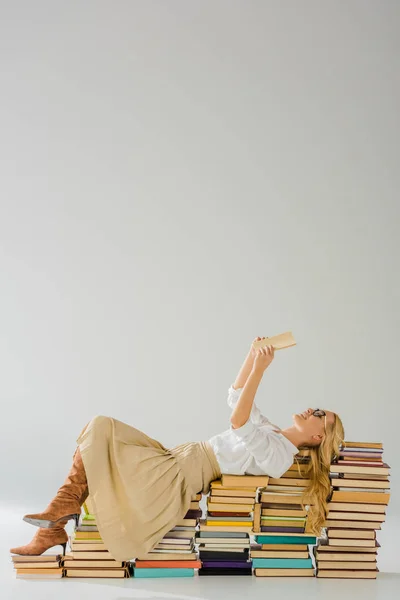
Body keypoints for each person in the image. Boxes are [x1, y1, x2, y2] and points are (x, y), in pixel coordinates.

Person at [10, 337, 344, 561]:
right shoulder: (272, 430)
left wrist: (260, 369)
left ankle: (55, 522)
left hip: (177, 476)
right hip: (175, 458)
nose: (311, 410)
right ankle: (55, 522)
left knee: (100, 432)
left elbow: (238, 421)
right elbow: (236, 395)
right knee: (97, 431)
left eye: (319, 415)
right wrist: (251, 354)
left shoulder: (280, 455)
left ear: (318, 438)